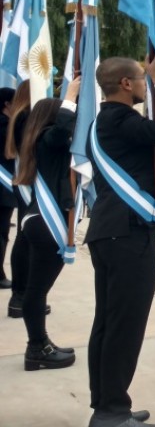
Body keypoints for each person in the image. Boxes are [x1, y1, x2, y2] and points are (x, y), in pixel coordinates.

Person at [87, 56, 155, 427]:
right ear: (126, 84)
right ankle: (112, 412)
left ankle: (109, 404)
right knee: (124, 325)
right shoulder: (123, 120)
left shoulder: (104, 122)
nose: (145, 84)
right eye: (142, 79)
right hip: (127, 233)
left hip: (110, 231)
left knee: (110, 323)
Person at [14, 78, 80, 371]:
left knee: (35, 290)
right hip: (45, 223)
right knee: (37, 291)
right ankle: (37, 348)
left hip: (35, 220)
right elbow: (62, 131)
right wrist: (71, 96)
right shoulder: (47, 140)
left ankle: (40, 344)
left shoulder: (36, 141)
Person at [5, 82, 31, 318]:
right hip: (27, 183)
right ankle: (21, 295)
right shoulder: (24, 117)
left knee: (25, 238)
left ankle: (22, 295)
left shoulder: (20, 115)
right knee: (25, 239)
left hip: (24, 181)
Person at [0, 87, 16, 290]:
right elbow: (10, 153)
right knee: (2, 231)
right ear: (7, 104)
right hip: (3, 186)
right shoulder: (5, 127)